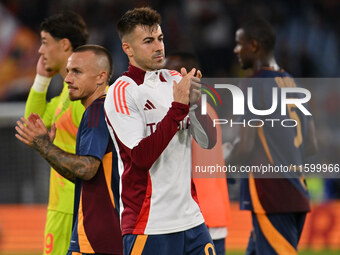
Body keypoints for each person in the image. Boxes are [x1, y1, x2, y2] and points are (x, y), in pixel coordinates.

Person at [104, 7, 217, 255]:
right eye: (148, 41)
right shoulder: (121, 92)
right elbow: (141, 158)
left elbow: (208, 142)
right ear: (128, 49)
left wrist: (197, 107)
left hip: (192, 220)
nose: (158, 47)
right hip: (150, 225)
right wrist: (178, 108)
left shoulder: (177, 79)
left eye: (160, 39)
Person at [16, 45, 123, 255]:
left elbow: (87, 169)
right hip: (107, 233)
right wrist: (45, 148)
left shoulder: (96, 112)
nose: (67, 79)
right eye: (68, 71)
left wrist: (44, 146)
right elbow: (89, 176)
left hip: (95, 236)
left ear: (101, 77)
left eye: (77, 72)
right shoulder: (107, 109)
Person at [228, 18, 318, 254]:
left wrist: (221, 163)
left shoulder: (251, 86)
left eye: (240, 44)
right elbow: (311, 145)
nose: (236, 50)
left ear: (254, 46)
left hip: (272, 196)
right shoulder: (294, 83)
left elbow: (245, 147)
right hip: (296, 191)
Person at [24, 11, 88, 254]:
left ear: (64, 45)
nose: (40, 51)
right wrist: (41, 79)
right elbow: (32, 122)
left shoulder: (83, 95)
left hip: (73, 207)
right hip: (64, 205)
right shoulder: (65, 93)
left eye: (44, 42)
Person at [165, 51, 231, 255]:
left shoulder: (185, 112)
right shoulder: (207, 110)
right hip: (213, 210)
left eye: (170, 73)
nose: (164, 78)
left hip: (197, 216)